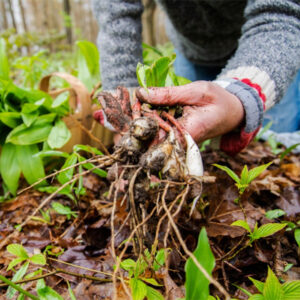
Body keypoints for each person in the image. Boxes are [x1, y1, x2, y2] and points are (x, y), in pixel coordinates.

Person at [92, 0, 300, 155]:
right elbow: (115, 15)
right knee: (184, 136)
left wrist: (242, 93)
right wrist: (124, 104)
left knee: (274, 148)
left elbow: (283, 13)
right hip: (192, 50)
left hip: (266, 50)